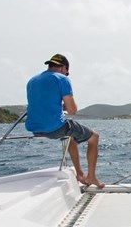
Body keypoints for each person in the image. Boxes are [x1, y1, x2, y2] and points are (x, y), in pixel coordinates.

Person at [25, 54, 105, 188]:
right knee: (94, 137)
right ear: (63, 68)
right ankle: (91, 177)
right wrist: (68, 106)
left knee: (70, 137)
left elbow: (41, 102)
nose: (66, 75)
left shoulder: (32, 80)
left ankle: (80, 174)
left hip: (34, 128)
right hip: (54, 128)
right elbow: (72, 110)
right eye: (66, 73)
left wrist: (59, 105)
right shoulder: (61, 79)